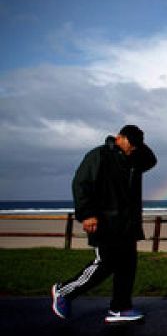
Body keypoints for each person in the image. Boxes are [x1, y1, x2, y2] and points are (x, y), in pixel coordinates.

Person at [51, 125, 157, 324]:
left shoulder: (135, 158)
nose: (133, 149)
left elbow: (152, 160)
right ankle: (63, 292)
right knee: (105, 264)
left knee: (127, 266)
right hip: (104, 221)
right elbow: (81, 183)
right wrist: (87, 214)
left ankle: (120, 308)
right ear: (119, 138)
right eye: (130, 144)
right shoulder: (98, 155)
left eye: (136, 145)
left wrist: (138, 144)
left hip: (127, 223)